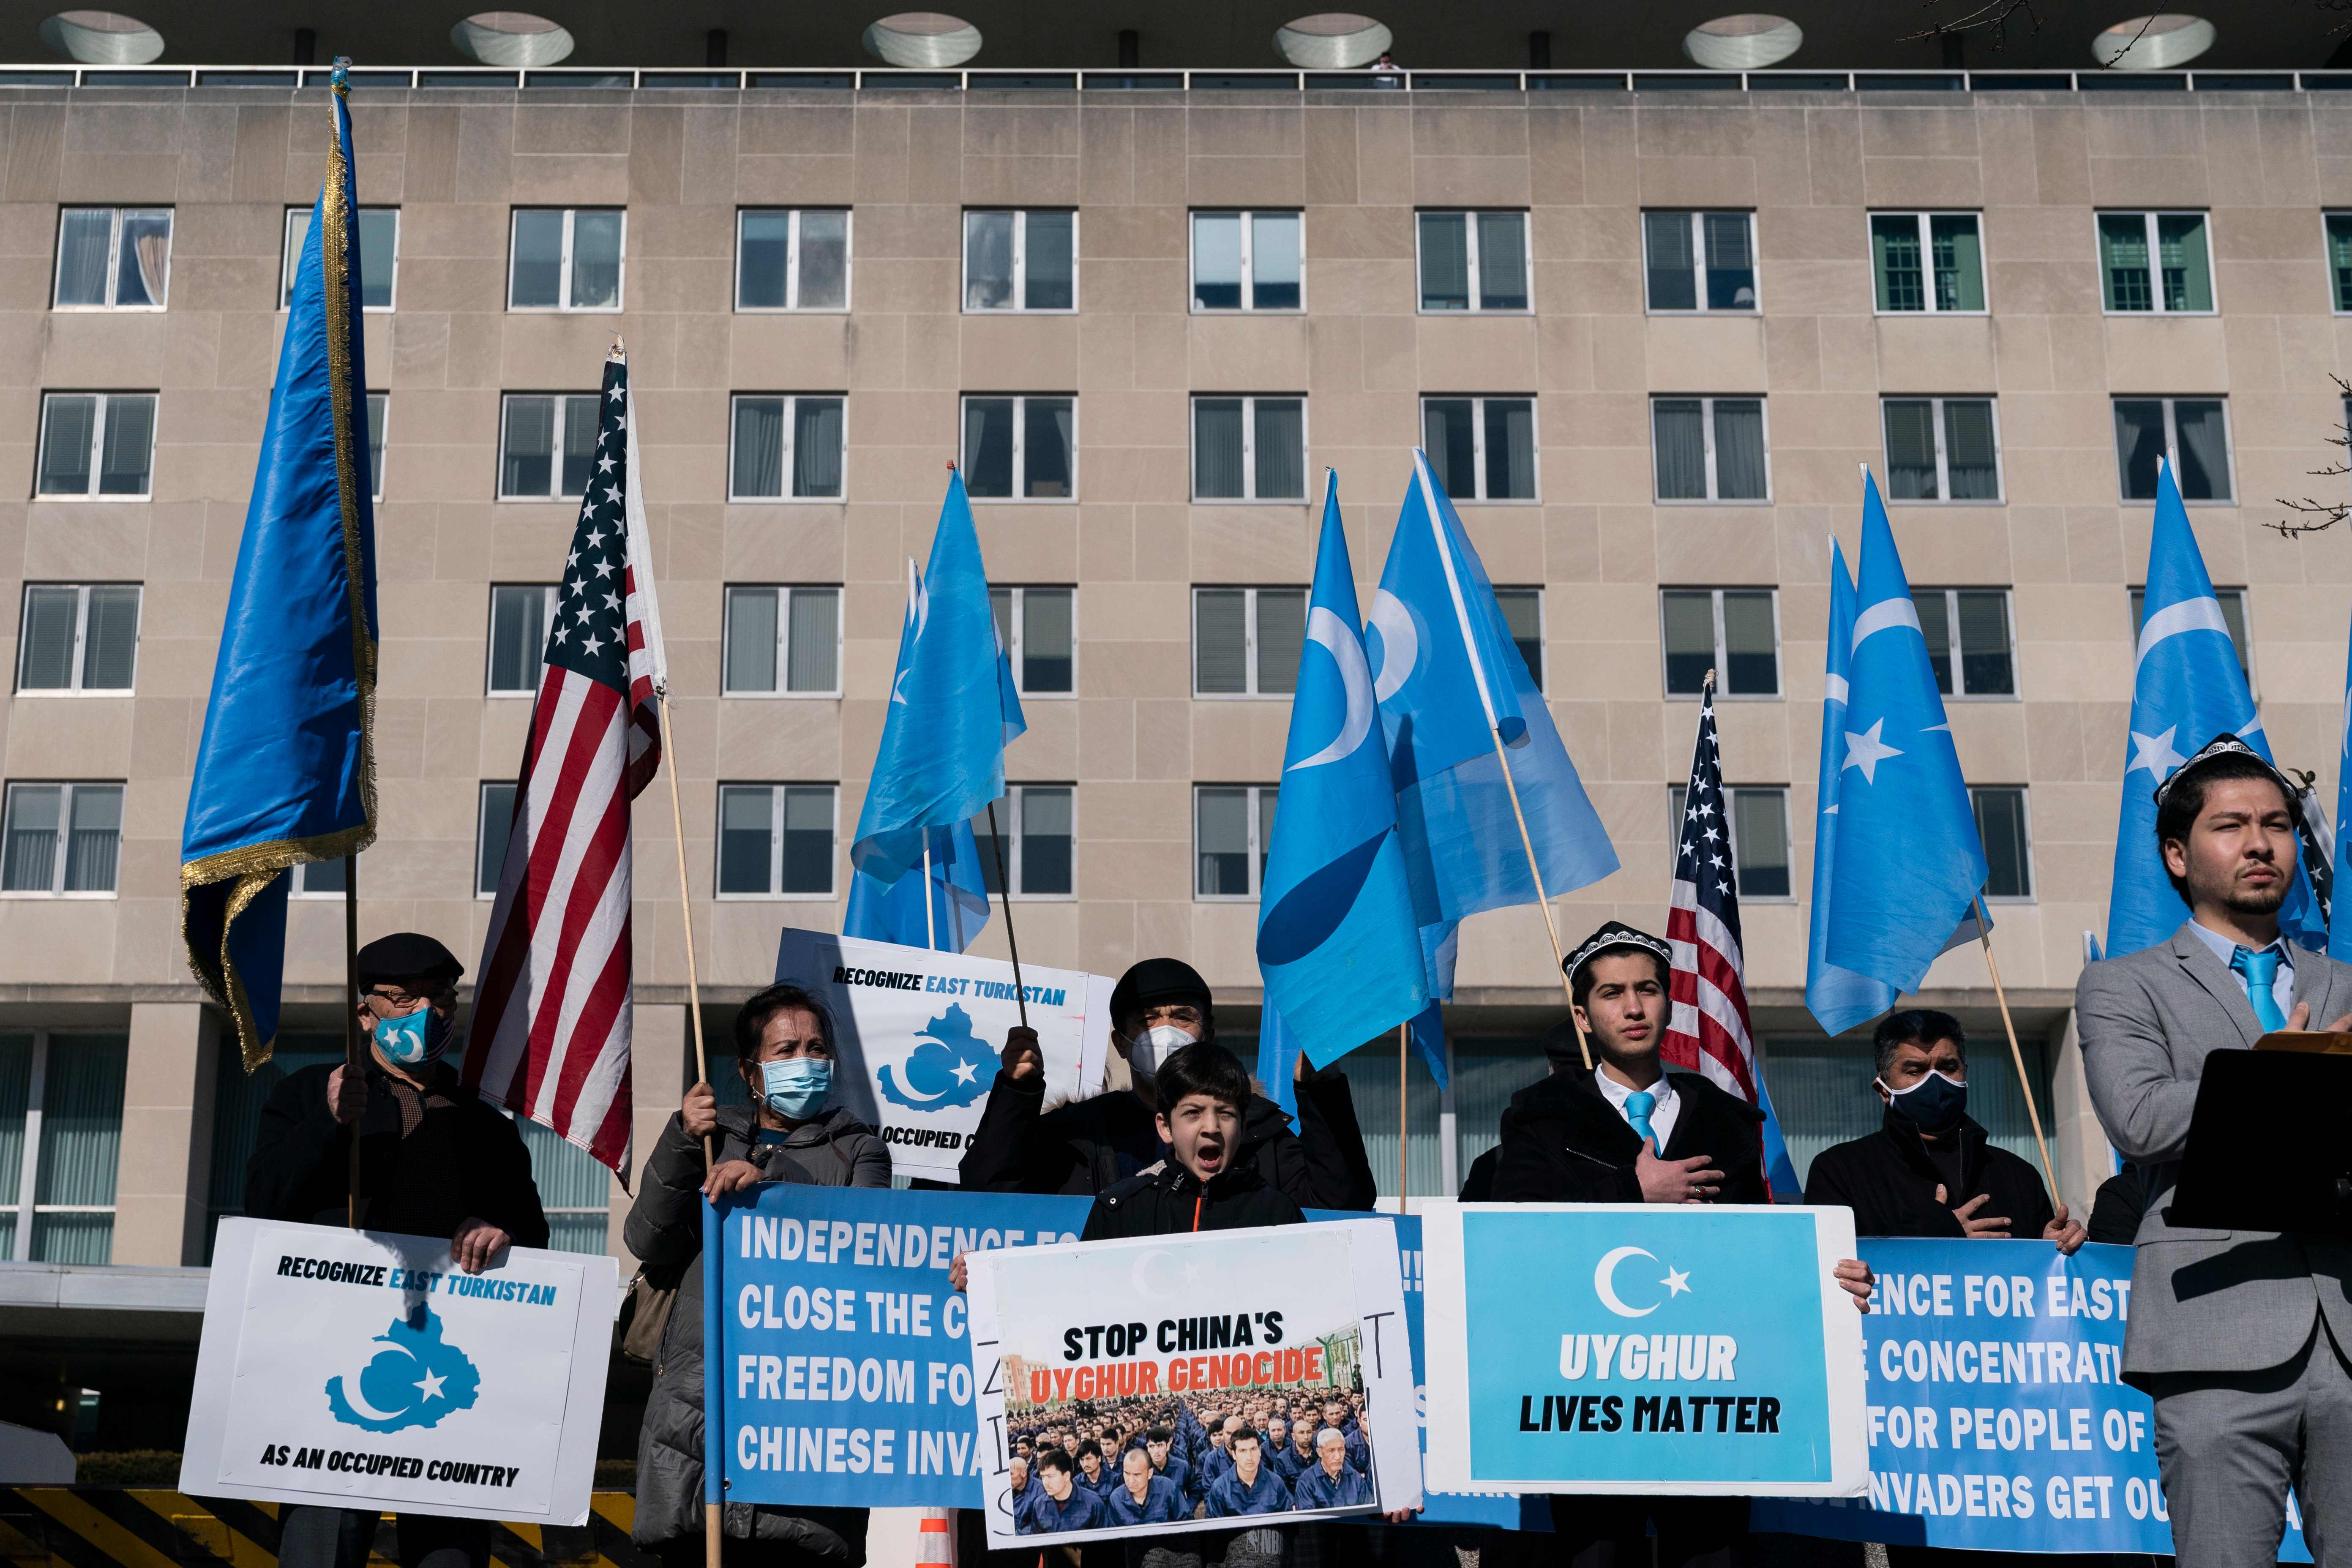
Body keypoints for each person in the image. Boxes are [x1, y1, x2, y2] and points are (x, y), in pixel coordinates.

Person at [1490, 922, 1875, 1568]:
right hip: (1589, 1401)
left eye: (1647, 989)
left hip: (1709, 1404)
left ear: (1671, 1001)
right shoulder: (1540, 1115)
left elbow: (1759, 1249)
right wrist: (1628, 1190)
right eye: (1612, 993)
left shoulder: (1725, 1117)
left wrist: (1829, 1281)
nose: (1633, 1007)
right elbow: (1512, 1236)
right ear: (1582, 1015)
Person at [2076, 734, 2352, 1567]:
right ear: (2174, 852)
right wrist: (2281, 1073)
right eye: (2229, 825)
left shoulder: (2340, 983)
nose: (2259, 843)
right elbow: (2138, 1119)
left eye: (2274, 823)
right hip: (2209, 1330)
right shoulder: (2122, 983)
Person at [245, 933, 549, 1568]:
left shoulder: (485, 1125)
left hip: (450, 1370)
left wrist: (503, 1232)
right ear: (366, 1013)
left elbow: (531, 1230)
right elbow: (264, 1201)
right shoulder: (309, 1093)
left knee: (449, 1555)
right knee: (321, 1545)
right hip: (328, 1370)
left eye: (441, 998)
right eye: (403, 997)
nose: (427, 1012)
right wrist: (329, 1120)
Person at [626, 983, 889, 1568]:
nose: (805, 1061)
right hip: (698, 1412)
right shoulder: (708, 1136)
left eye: (816, 1048)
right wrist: (679, 1139)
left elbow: (863, 1246)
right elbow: (648, 1240)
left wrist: (767, 1176)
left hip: (807, 1412)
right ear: (750, 1071)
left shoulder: (859, 1150)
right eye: (785, 1049)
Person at [960, 957, 1376, 1209]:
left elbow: (1341, 1205)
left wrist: (1321, 1091)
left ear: (1207, 1034)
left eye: (1181, 1017)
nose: (1164, 1031)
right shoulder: (1076, 1134)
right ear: (1121, 1044)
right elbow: (987, 1193)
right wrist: (1017, 1093)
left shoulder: (1258, 1131)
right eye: (1146, 1020)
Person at [1804, 1009, 2087, 1253]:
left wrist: (2055, 1247)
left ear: (1966, 1072)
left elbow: (2043, 1286)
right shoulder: (1841, 1172)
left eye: (1947, 1067)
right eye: (1915, 1070)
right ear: (1883, 1090)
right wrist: (1936, 1233)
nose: (1935, 1080)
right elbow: (1828, 1275)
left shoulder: (2019, 1175)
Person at [1205, 1428, 1292, 1517]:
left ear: (1260, 1450)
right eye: (1243, 1451)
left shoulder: (1276, 1483)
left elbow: (1287, 1521)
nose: (1249, 1457)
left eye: (1254, 1449)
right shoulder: (1220, 1487)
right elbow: (1214, 1527)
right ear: (1234, 1455)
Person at [1025, 1448, 1105, 1533]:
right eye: (1043, 1477)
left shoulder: (1094, 1503)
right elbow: (1037, 1539)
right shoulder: (1039, 1505)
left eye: (1050, 1477)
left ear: (1067, 1476)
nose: (1045, 1483)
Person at [1290, 1429, 1373, 1510]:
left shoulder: (1355, 1478)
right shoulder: (1306, 1482)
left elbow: (1368, 1510)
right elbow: (1308, 1520)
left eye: (1341, 1450)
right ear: (1320, 1452)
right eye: (1331, 1450)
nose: (1338, 1457)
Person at [1106, 1444, 1186, 1525]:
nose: (1131, 1481)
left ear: (1150, 1474)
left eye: (1137, 1475)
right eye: (1127, 1473)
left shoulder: (1167, 1488)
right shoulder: (1116, 1499)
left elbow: (1186, 1521)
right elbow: (1113, 1533)